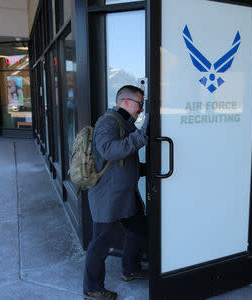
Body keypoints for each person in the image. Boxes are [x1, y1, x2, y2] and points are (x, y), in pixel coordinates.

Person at [83, 85, 149, 300]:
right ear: (126, 102)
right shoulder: (108, 122)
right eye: (140, 104)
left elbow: (122, 161)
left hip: (125, 194)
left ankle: (130, 269)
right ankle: (92, 288)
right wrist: (141, 136)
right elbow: (109, 151)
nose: (141, 109)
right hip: (108, 197)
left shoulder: (123, 123)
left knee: (140, 229)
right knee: (101, 243)